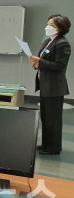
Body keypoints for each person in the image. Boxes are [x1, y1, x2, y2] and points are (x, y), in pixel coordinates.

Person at [29, 14, 71, 155]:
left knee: (53, 119)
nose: (48, 27)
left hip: (54, 87)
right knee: (46, 117)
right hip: (45, 85)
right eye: (48, 24)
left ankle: (53, 148)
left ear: (60, 28)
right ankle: (46, 144)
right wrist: (37, 63)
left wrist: (40, 62)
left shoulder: (62, 43)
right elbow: (42, 59)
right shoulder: (48, 41)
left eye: (51, 25)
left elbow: (59, 65)